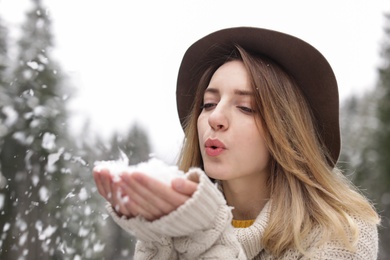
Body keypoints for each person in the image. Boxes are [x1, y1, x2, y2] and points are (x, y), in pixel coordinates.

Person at [93, 27, 380, 259]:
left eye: (245, 107)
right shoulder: (175, 226)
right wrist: (156, 237)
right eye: (208, 103)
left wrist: (204, 233)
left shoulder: (343, 233)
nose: (215, 117)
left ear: (287, 132)